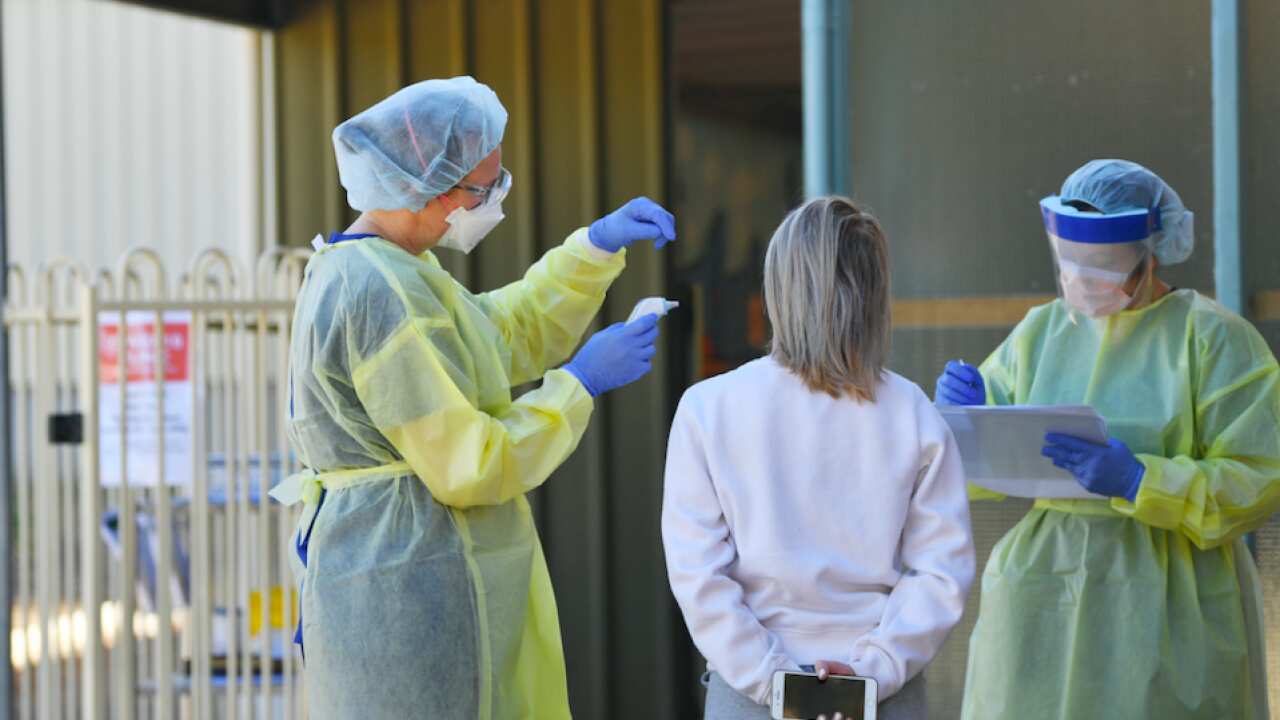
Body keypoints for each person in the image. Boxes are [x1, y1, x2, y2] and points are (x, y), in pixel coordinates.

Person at [270, 76, 676, 719]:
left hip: (416, 568)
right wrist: (578, 384)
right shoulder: (375, 292)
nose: (494, 201)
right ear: (423, 186)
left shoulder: (395, 269)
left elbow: (493, 336)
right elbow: (471, 460)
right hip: (408, 587)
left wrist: (593, 249)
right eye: (482, 189)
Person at [938, 159, 1280, 719]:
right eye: (1071, 263)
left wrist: (1145, 480)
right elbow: (968, 471)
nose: (1082, 279)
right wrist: (961, 419)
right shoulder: (1040, 332)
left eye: (1101, 264)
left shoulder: (1212, 339)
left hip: (1171, 600)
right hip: (1043, 588)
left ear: (1151, 251)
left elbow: (1260, 474)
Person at [663, 197, 975, 720]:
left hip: (750, 696)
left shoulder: (708, 408)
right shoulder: (912, 412)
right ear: (875, 293)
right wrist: (873, 669)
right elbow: (941, 574)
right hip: (883, 696)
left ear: (778, 289)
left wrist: (772, 678)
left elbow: (699, 577)